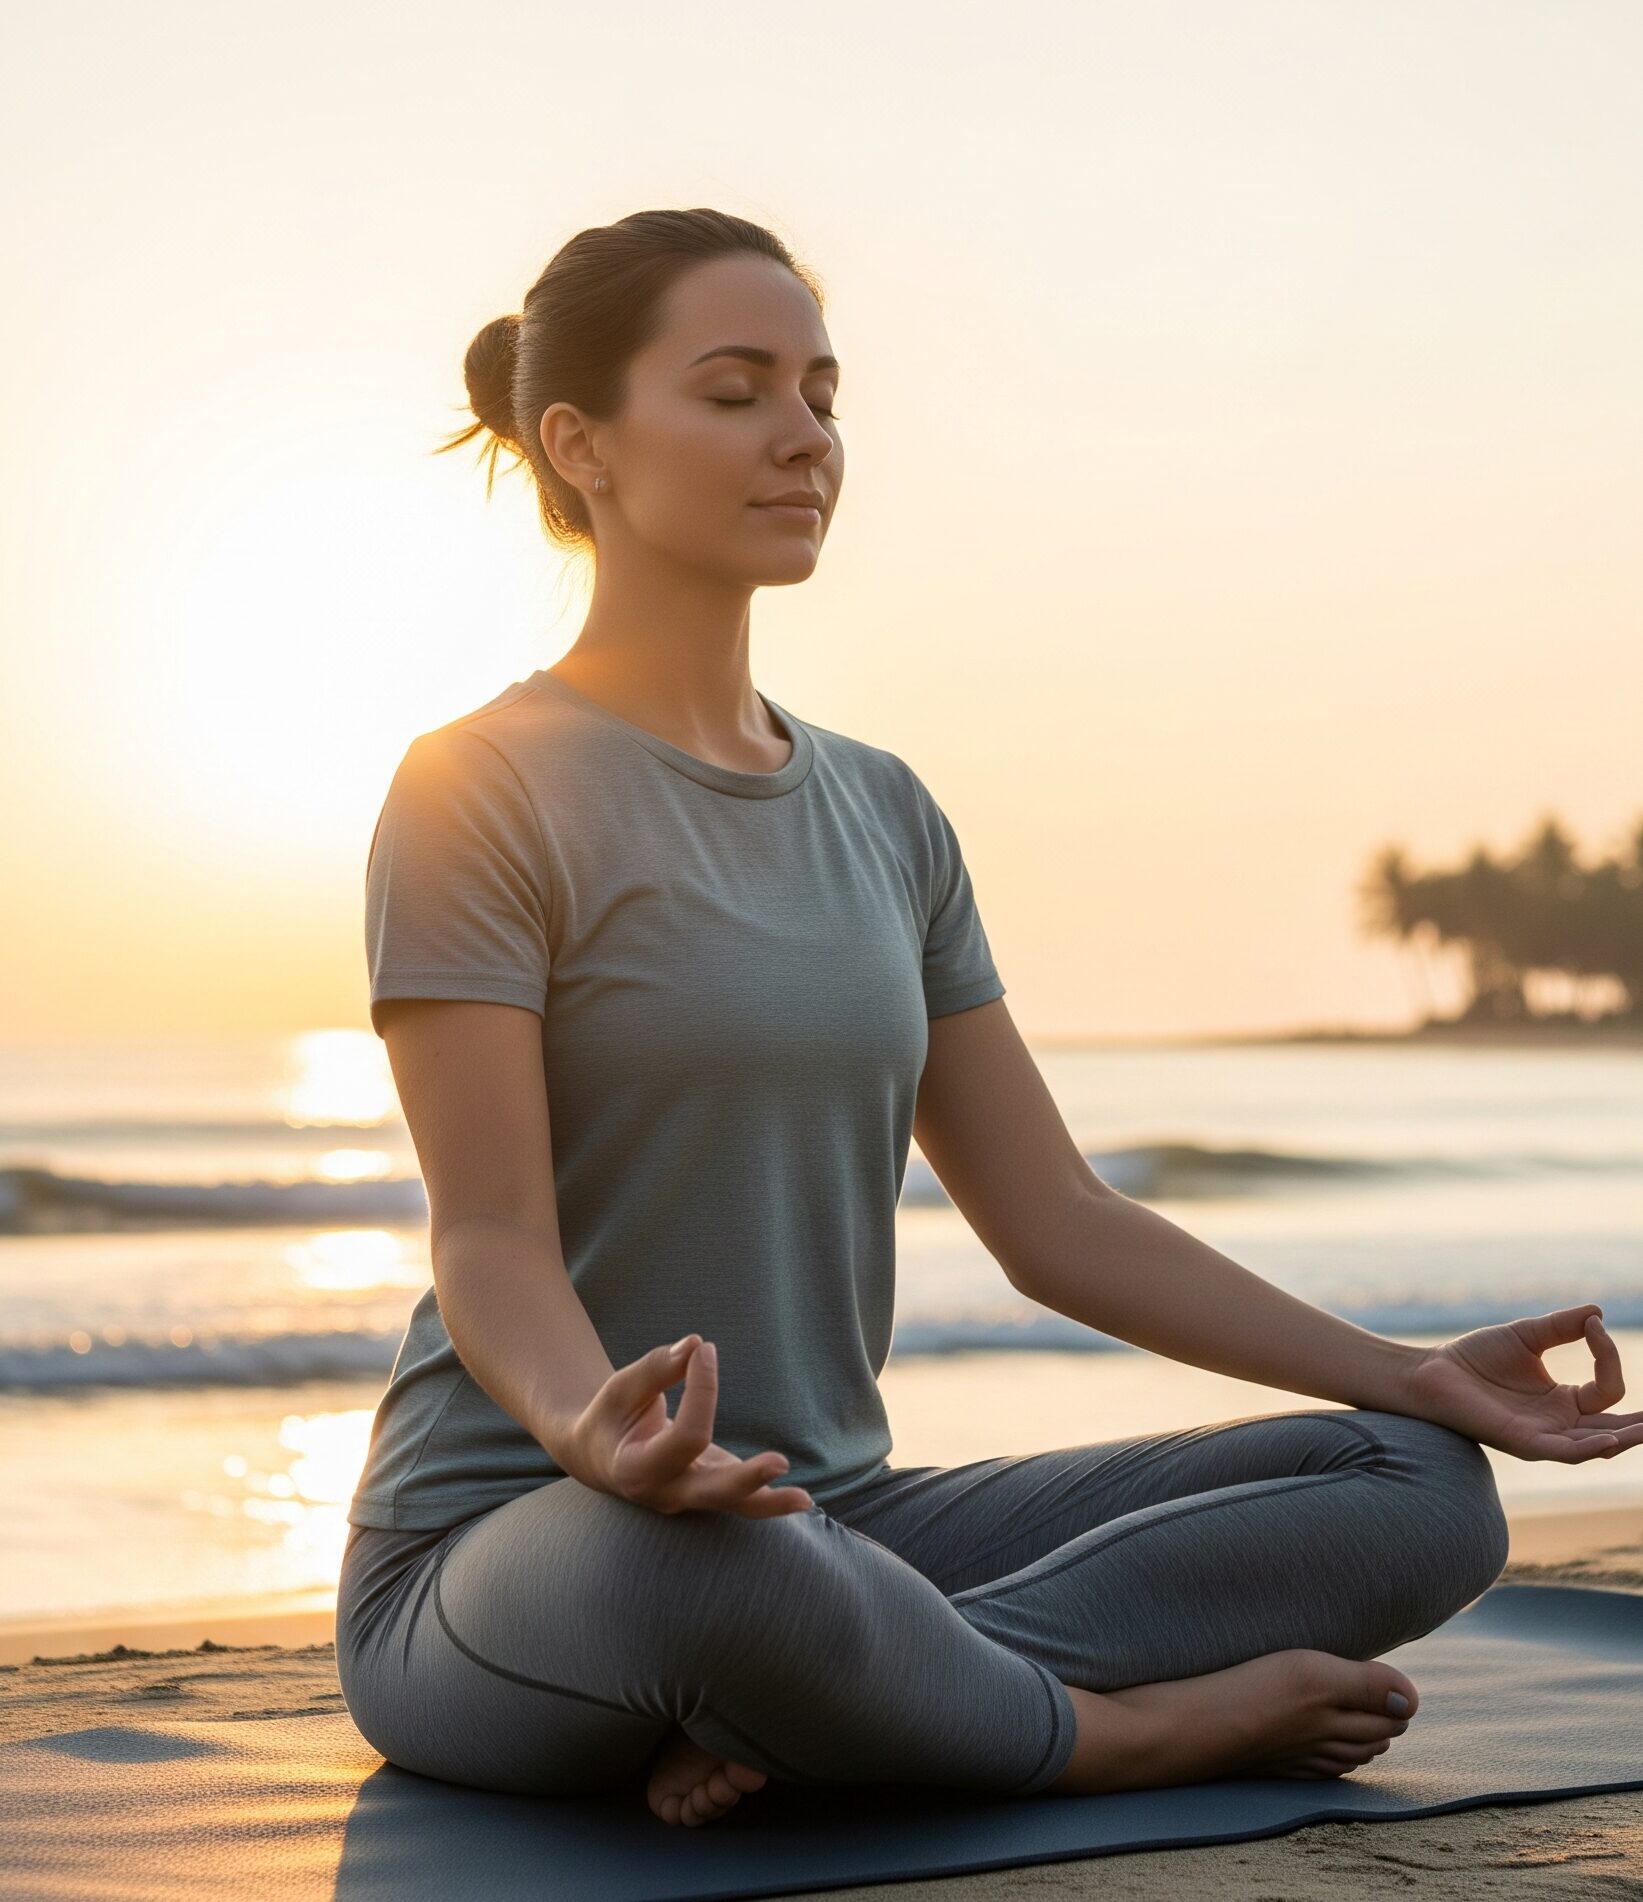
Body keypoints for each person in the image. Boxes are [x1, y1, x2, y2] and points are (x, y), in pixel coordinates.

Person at [333, 207, 1642, 1829]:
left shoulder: (884, 810)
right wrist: (594, 1441)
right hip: (527, 1544)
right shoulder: (478, 788)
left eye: (822, 393)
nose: (803, 436)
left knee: (1419, 1489)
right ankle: (1118, 1731)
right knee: (717, 1567)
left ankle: (866, 1696)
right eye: (735, 392)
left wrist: (1414, 1370)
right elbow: (490, 1242)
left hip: (839, 1522)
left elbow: (1058, 1217)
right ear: (579, 443)